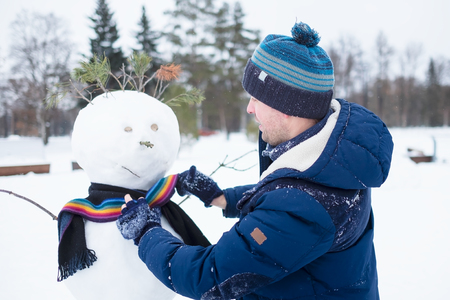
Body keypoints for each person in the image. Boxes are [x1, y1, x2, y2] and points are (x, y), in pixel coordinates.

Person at [116, 21, 393, 300]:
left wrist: (146, 231)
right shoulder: (335, 156)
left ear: (288, 107)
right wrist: (222, 198)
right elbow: (287, 195)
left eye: (256, 98)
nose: (249, 108)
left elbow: (208, 276)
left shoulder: (307, 208)